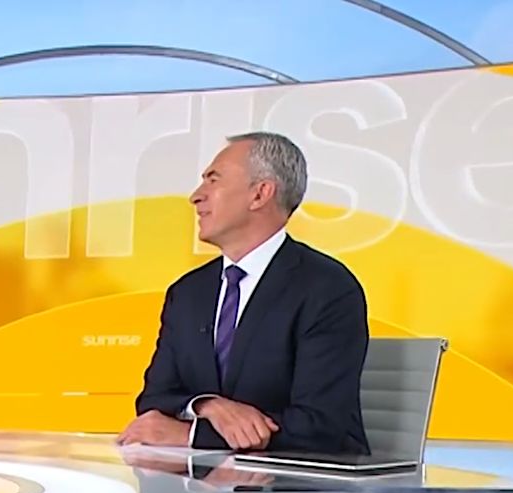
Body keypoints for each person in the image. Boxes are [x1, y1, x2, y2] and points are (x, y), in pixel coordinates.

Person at [120, 132, 371, 454]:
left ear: (260, 194)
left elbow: (320, 426)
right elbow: (155, 401)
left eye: (213, 180)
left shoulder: (327, 288)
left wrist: (192, 435)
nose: (196, 196)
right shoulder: (187, 293)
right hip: (200, 479)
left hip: (301, 480)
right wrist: (209, 405)